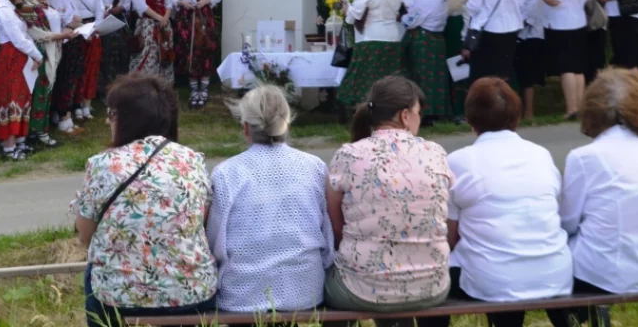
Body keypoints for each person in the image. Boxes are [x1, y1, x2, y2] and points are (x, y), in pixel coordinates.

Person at [417, 78, 572, 327]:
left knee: (429, 277)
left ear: (470, 120)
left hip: (493, 278)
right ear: (516, 116)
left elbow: (450, 236)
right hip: (553, 272)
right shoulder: (540, 154)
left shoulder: (460, 161)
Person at [72, 75, 217, 325]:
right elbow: (201, 224)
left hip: (119, 299)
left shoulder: (102, 165)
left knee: (94, 270)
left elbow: (85, 236)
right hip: (192, 295)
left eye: (111, 113)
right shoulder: (192, 160)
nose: (107, 120)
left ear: (128, 118)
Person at [548, 68, 638, 326]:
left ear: (591, 111)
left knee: (549, 266)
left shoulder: (584, 157)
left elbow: (567, 222)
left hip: (607, 274)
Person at [325, 76, 452, 325]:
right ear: (405, 115)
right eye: (418, 113)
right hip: (431, 287)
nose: (419, 120)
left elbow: (336, 228)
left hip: (361, 289)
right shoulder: (436, 153)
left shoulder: (347, 156)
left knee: (335, 277)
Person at [207, 85, 334, 313]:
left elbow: (216, 241)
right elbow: (327, 233)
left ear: (245, 128)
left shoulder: (226, 173)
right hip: (306, 291)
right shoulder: (315, 167)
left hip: (242, 295)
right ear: (287, 123)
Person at [530, 0, 590, 120]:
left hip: (562, 23)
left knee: (567, 68)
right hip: (579, 19)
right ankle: (580, 106)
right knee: (578, 69)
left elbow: (554, 0)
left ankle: (571, 108)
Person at [337, 0, 402, 107]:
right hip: (392, 38)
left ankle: (366, 112)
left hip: (372, 38)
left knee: (367, 81)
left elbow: (356, 14)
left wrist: (347, 8)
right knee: (388, 79)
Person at [20, 0, 79, 146]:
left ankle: (41, 129)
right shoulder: (28, 6)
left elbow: (55, 25)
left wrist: (68, 30)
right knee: (39, 93)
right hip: (40, 53)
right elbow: (35, 32)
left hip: (54, 52)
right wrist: (59, 35)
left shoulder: (46, 4)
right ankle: (36, 132)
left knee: (47, 92)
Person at [0, 0, 41, 161]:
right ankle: (9, 146)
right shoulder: (4, 10)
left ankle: (19, 141)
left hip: (18, 57)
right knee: (11, 99)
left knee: (21, 98)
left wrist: (33, 55)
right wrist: (38, 55)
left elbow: (24, 36)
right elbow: (18, 39)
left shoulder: (10, 8)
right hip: (11, 57)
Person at [171, 0, 222, 109]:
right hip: (186, 18)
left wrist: (205, 1)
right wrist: (182, 3)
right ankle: (194, 89)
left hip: (203, 16)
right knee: (189, 49)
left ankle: (205, 87)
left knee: (205, 48)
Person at [401, 0, 451, 120]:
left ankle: (425, 113)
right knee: (437, 77)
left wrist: (402, 15)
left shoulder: (425, 1)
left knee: (422, 77)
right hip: (438, 39)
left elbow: (410, 21)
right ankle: (439, 111)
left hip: (423, 40)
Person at [47, 0, 85, 133]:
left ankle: (64, 113)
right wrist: (73, 22)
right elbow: (66, 20)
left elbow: (75, 16)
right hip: (65, 40)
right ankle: (63, 115)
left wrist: (75, 21)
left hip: (73, 38)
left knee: (71, 79)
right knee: (65, 80)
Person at [506, 0, 545, 120]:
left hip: (525, 33)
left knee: (524, 77)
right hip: (536, 33)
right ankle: (527, 113)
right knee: (527, 77)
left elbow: (523, 7)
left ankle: (526, 113)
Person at [127, 0, 175, 82]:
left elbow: (168, 3)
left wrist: (165, 18)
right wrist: (160, 18)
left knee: (164, 55)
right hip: (147, 26)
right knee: (146, 56)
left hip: (164, 25)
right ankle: (142, 88)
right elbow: (141, 6)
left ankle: (163, 89)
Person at [66, 0, 105, 121]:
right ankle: (75, 105)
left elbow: (100, 8)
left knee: (92, 68)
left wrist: (95, 27)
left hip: (92, 29)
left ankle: (87, 104)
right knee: (76, 70)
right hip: (75, 30)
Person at [87, 0, 130, 95]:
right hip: (104, 24)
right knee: (107, 59)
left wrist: (121, 7)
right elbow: (92, 6)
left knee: (123, 55)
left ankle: (123, 87)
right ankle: (108, 90)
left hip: (120, 21)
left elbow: (128, 1)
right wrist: (106, 9)